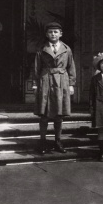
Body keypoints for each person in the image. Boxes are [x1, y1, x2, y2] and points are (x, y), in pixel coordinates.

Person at [32, 22, 76, 154]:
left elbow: (71, 67)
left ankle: (58, 141)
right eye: (50, 32)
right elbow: (36, 68)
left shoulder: (67, 49)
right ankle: (43, 141)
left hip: (62, 82)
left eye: (56, 32)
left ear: (61, 34)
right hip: (46, 80)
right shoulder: (41, 49)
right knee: (44, 114)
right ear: (47, 34)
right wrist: (35, 84)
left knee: (59, 114)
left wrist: (71, 84)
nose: (53, 34)